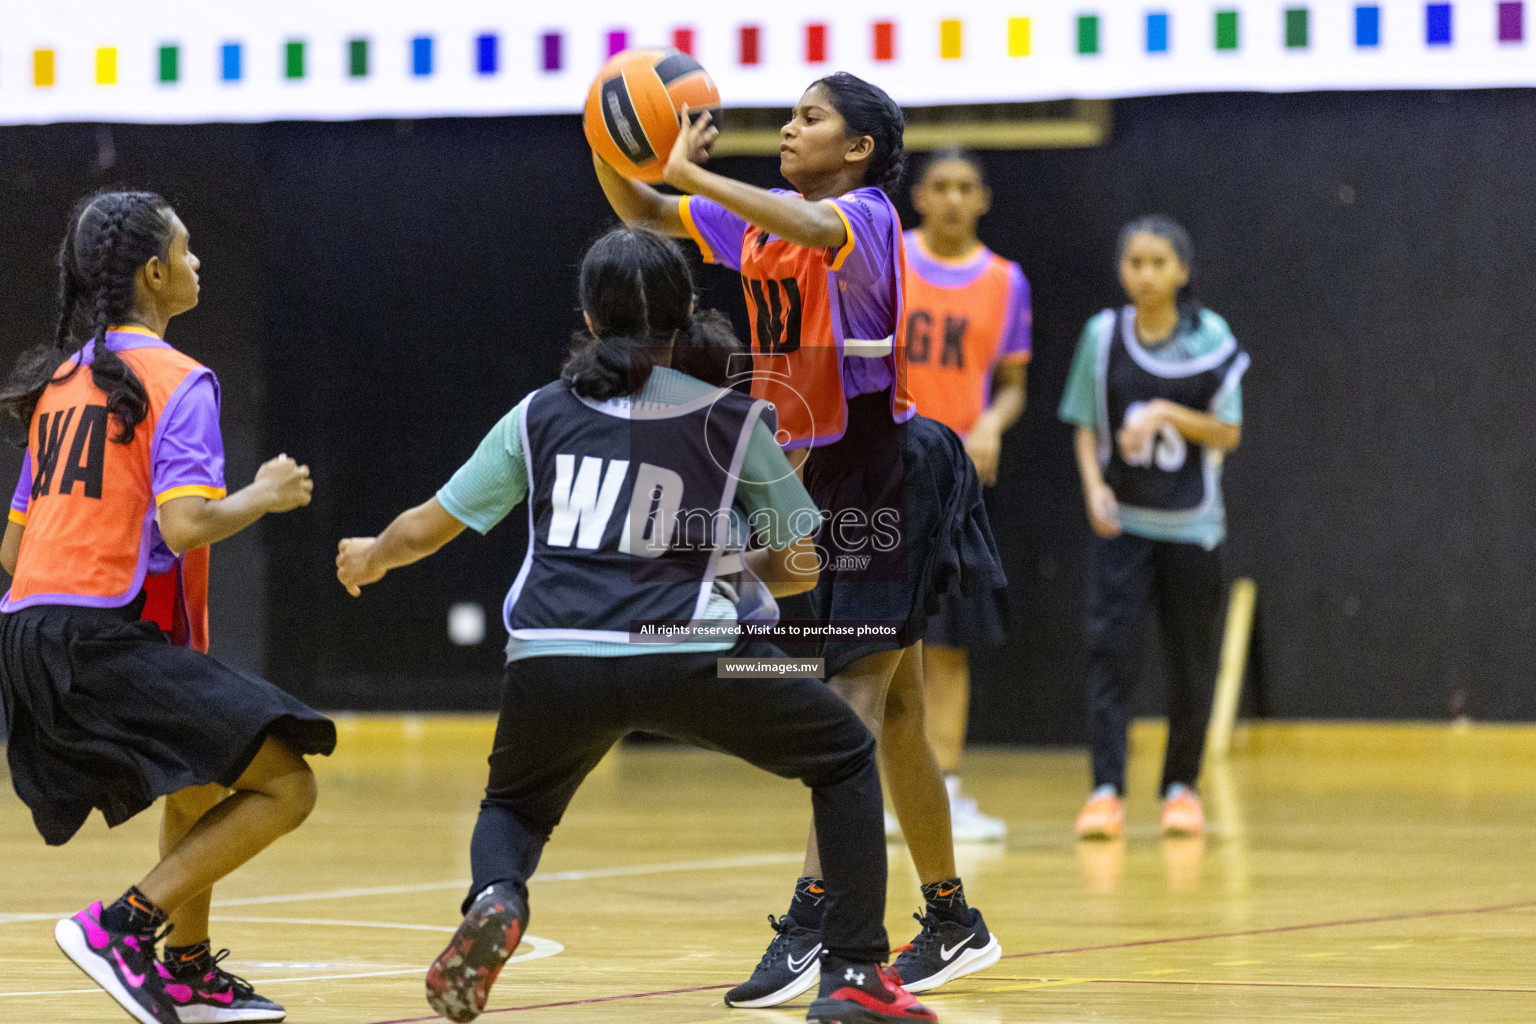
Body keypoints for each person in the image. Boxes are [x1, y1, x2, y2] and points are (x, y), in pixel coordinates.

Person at [335, 227, 937, 1024]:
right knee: (846, 753)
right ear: (688, 310)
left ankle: (496, 898)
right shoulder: (731, 417)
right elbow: (804, 564)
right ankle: (856, 974)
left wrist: (369, 557)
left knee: (514, 809)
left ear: (587, 315)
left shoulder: (538, 414)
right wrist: (731, 571)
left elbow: (426, 528)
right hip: (695, 656)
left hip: (552, 658)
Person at [593, 72, 1005, 1005]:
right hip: (827, 476)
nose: (787, 126)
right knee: (890, 712)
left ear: (857, 148)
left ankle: (818, 920)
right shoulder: (768, 221)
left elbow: (802, 227)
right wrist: (607, 123)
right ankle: (950, 920)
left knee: (848, 709)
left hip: (891, 469)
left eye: (810, 117)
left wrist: (692, 175)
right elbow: (646, 205)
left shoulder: (862, 217)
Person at [0, 190, 335, 1024]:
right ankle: (122, 927)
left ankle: (186, 970)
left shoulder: (61, 383)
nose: (197, 263)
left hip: (29, 636)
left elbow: (12, 552)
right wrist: (263, 493)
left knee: (200, 782)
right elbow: (185, 526)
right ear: (154, 272)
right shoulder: (180, 381)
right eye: (186, 251)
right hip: (92, 638)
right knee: (288, 786)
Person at [1057, 214, 1249, 841]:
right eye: (1135, 262)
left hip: (1192, 526)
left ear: (1183, 271)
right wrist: (1093, 486)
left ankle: (1180, 789)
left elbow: (1228, 431)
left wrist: (1166, 410)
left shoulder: (1210, 338)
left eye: (1159, 263)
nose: (1146, 274)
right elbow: (1085, 421)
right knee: (1111, 655)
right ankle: (1106, 790)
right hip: (1126, 526)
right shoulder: (1103, 334)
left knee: (1191, 662)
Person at [898, 148, 1030, 844]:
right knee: (880, 636)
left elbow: (1012, 383)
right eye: (940, 186)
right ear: (918, 194)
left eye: (966, 187)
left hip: (956, 480)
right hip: (886, 469)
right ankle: (885, 783)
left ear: (983, 198)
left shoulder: (1006, 281)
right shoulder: (887, 259)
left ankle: (942, 783)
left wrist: (990, 423)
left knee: (949, 640)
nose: (952, 198)